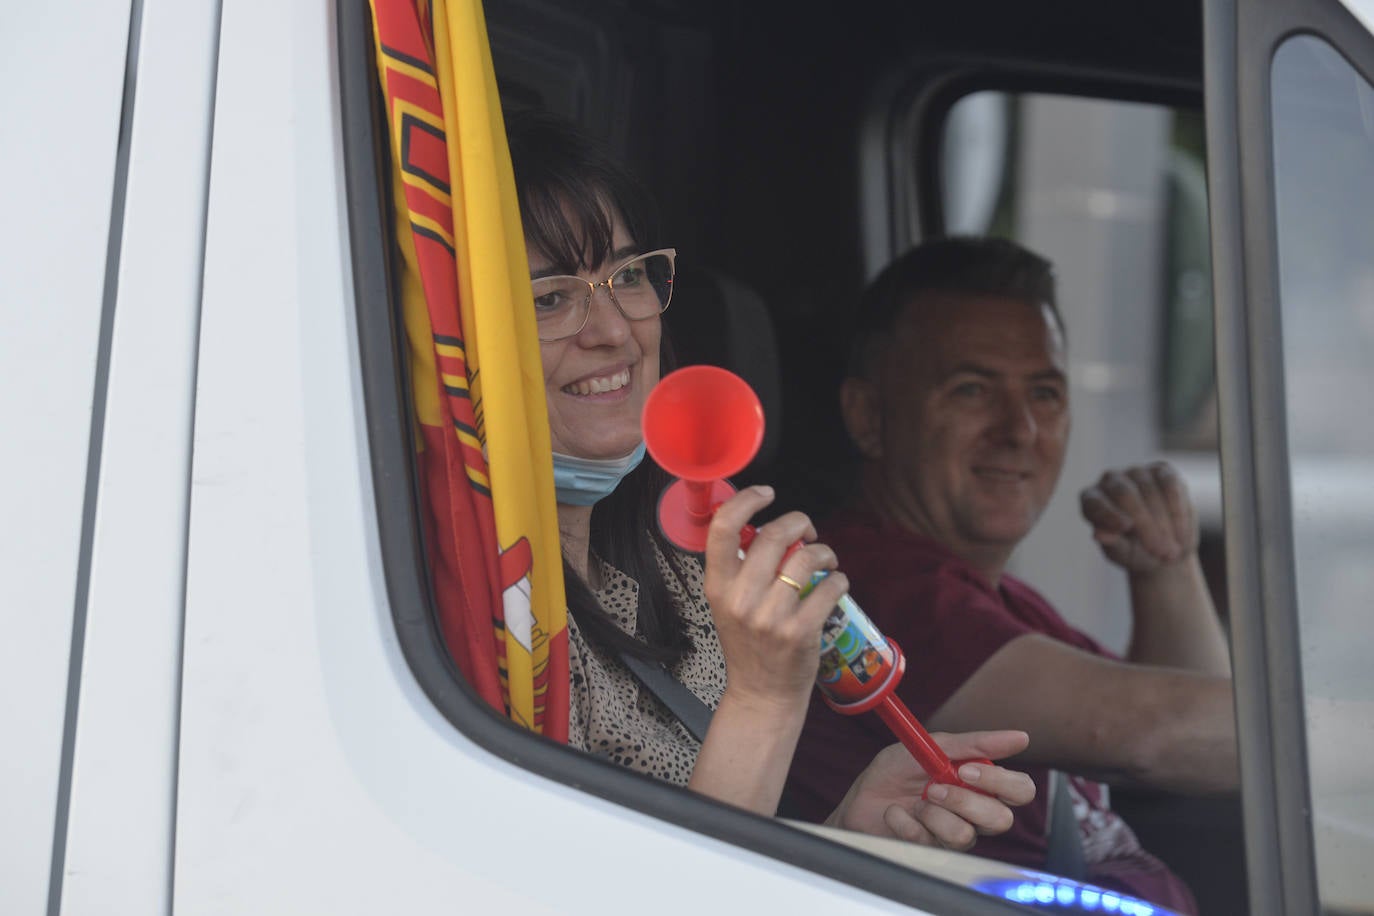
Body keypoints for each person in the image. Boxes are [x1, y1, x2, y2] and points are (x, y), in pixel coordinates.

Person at [504, 109, 1035, 847]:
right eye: (551, 298)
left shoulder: (675, 573)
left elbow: (719, 851)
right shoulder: (487, 617)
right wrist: (764, 697)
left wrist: (850, 829)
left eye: (627, 276)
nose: (616, 330)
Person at [783, 237, 1237, 913]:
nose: (1020, 429)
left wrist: (1165, 570)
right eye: (972, 390)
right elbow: (1157, 736)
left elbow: (1207, 752)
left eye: (1045, 393)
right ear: (869, 417)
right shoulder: (867, 589)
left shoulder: (1005, 602)